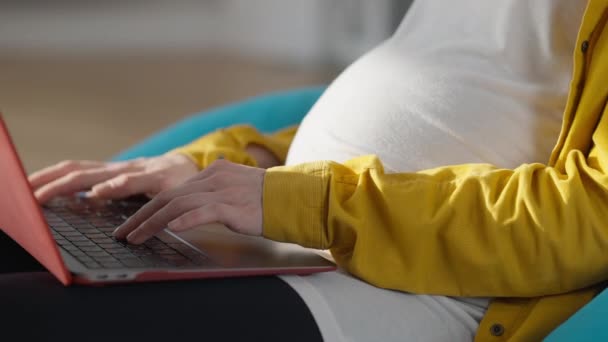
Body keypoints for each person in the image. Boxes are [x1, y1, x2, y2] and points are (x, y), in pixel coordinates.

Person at [3, 0, 607, 340]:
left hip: (407, 294)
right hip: (291, 236)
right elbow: (449, 105)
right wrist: (226, 162)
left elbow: (589, 217)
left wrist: (308, 204)